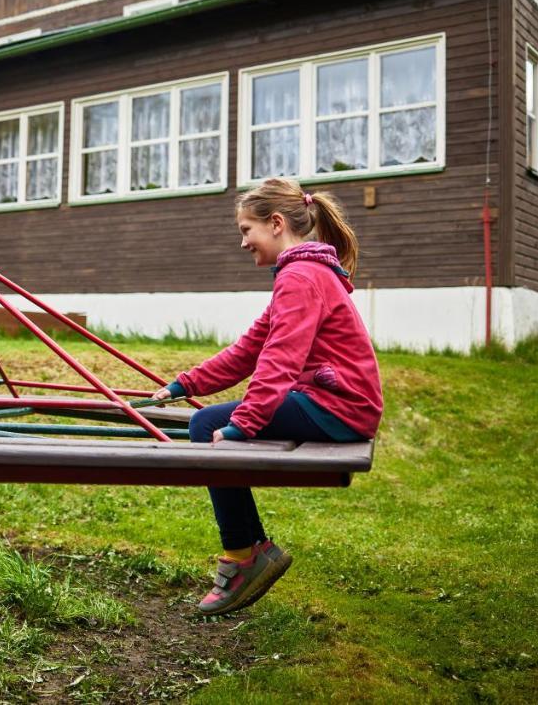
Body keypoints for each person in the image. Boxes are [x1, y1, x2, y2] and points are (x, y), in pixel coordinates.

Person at [150, 178, 382, 615]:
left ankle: (244, 555)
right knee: (204, 420)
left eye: (245, 230)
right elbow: (248, 351)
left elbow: (281, 360)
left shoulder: (300, 277)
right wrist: (185, 384)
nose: (243, 242)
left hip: (338, 407)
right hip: (336, 402)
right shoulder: (303, 274)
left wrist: (243, 425)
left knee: (206, 426)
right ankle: (249, 550)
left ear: (276, 224)